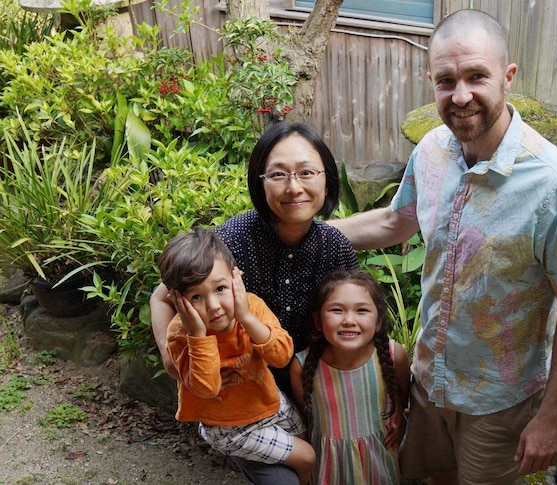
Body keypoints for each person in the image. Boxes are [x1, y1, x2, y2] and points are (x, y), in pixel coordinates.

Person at [328, 9, 557, 484]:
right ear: (430, 80)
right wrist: (312, 230)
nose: (461, 96)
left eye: (477, 76)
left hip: (499, 400)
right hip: (429, 380)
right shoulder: (432, 148)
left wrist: (552, 416)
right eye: (446, 80)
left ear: (508, 77)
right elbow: (398, 220)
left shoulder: (555, 185)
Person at [150, 122, 358, 484]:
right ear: (260, 182)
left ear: (327, 178)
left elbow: (358, 315)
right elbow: (162, 294)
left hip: (298, 390)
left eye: (307, 172)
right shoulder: (232, 240)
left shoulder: (335, 246)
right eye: (279, 174)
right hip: (235, 402)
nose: (294, 187)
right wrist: (174, 360)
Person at [157, 228, 315, 484]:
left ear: (236, 278)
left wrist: (246, 318)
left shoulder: (251, 307)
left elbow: (282, 356)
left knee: (306, 438)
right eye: (196, 297)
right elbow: (206, 388)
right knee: (307, 457)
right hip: (229, 427)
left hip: (268, 402)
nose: (214, 306)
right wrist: (198, 334)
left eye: (220, 288)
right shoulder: (180, 334)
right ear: (177, 300)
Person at [288, 269, 410, 484]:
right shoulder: (303, 366)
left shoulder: (393, 356)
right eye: (337, 310)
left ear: (379, 320)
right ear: (318, 320)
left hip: (379, 466)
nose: (349, 320)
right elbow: (306, 416)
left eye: (362, 310)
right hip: (328, 470)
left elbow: (402, 394)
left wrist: (398, 413)